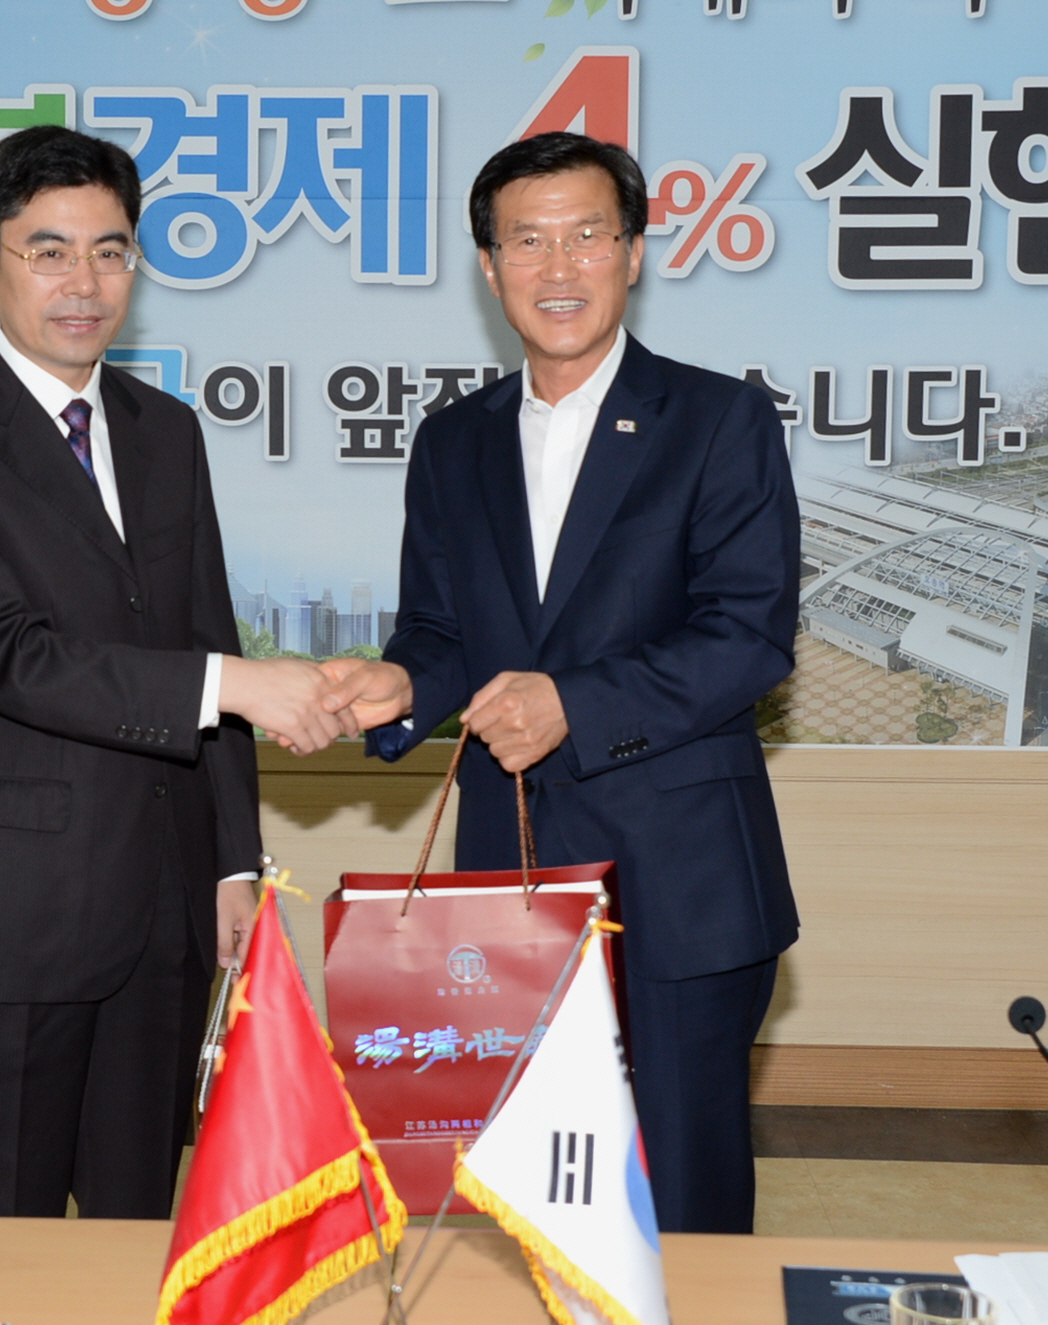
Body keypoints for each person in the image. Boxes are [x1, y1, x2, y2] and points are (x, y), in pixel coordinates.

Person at [0, 125, 351, 1218]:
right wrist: (235, 683)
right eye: (48, 251)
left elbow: (200, 624)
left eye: (110, 251)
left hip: (164, 914)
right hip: (7, 920)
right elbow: (5, 653)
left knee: (137, 1232)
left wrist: (232, 861)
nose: (83, 282)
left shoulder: (164, 430)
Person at [320, 132, 801, 1233]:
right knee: (535, 1198)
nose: (559, 266)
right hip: (511, 878)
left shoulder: (717, 421)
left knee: (680, 1207)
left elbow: (748, 637)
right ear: (489, 267)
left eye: (587, 235)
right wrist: (398, 682)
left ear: (632, 252)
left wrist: (573, 703)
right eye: (527, 241)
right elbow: (442, 629)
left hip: (680, 885)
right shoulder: (454, 440)